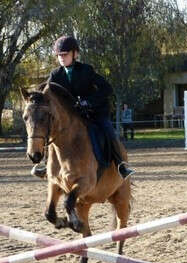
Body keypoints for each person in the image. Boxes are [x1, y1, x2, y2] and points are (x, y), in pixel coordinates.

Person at [31, 36, 135, 180]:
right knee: (51, 131)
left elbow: (107, 89)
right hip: (71, 116)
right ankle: (45, 165)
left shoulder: (86, 70)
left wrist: (88, 102)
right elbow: (45, 90)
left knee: (108, 131)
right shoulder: (55, 74)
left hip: (93, 112)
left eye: (65, 54)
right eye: (59, 55)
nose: (62, 58)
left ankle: (120, 166)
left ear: (75, 54)